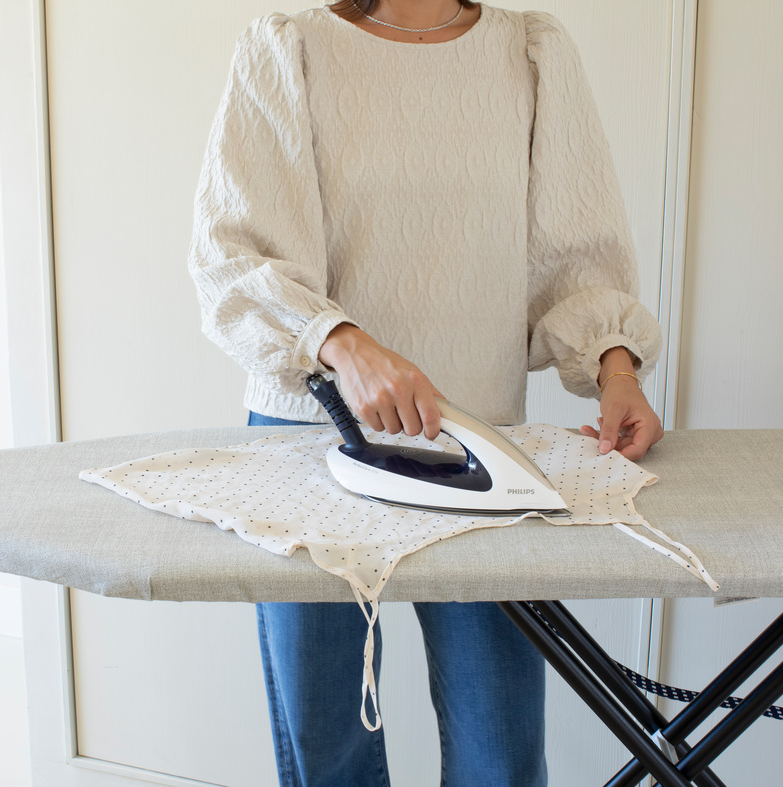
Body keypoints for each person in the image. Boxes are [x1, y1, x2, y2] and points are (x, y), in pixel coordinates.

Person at [189, 2, 664, 784]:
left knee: (501, 751)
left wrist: (617, 372)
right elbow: (232, 253)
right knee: (325, 745)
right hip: (311, 433)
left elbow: (578, 255)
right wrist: (345, 347)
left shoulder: (531, 53)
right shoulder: (289, 50)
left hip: (478, 450)